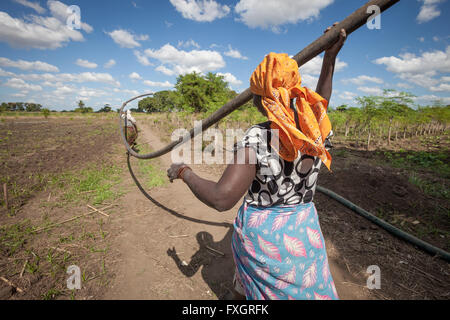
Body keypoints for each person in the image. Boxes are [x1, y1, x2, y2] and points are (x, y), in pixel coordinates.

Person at [167, 24, 347, 300]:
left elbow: (222, 198)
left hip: (265, 239)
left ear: (261, 99)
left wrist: (184, 171)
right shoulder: (316, 129)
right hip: (304, 229)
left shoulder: (259, 136)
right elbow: (321, 104)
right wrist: (330, 59)